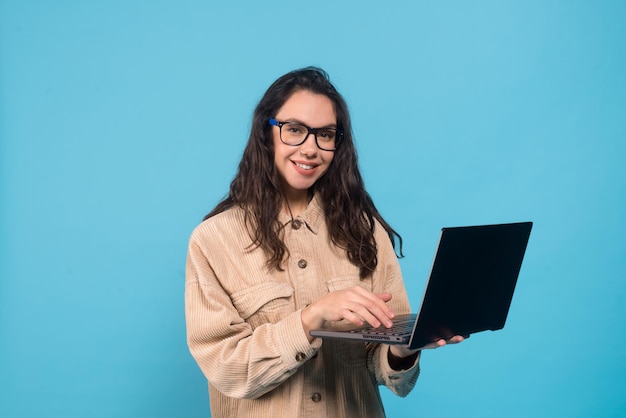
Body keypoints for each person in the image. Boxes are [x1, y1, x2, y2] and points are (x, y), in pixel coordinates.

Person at [185, 67, 463, 418]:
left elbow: (387, 373)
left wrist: (406, 349)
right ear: (265, 133)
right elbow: (226, 369)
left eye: (325, 135)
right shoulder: (213, 240)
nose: (311, 149)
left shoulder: (366, 231)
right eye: (295, 130)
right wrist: (311, 318)